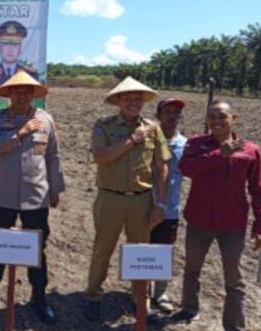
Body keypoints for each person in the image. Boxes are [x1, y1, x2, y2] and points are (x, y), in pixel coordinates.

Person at [0, 70, 65, 323]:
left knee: (37, 249)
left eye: (27, 91)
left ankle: (39, 297)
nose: (22, 95)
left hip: (36, 196)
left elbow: (53, 156)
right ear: (9, 94)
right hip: (2, 196)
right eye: (17, 91)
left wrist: (55, 188)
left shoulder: (46, 120)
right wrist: (20, 133)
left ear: (33, 94)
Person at [83, 76, 171, 322]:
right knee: (103, 249)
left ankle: (141, 300)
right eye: (128, 98)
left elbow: (162, 167)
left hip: (142, 200)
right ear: (118, 101)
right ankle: (93, 296)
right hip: (110, 198)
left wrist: (160, 204)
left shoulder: (153, 128)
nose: (134, 102)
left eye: (138, 98)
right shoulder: (104, 126)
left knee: (140, 251)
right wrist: (132, 140)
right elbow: (100, 156)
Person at [172, 100, 261, 330]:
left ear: (234, 118)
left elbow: (257, 189)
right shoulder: (196, 144)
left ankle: (234, 324)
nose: (216, 121)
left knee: (234, 277)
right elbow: (186, 169)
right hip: (199, 220)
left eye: (222, 116)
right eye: (212, 117)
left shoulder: (250, 150)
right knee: (192, 268)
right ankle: (189, 308)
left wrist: (259, 225)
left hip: (232, 223)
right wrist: (219, 155)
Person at [150, 97, 187, 314]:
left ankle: (160, 292)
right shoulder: (148, 139)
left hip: (170, 208)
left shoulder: (185, 144)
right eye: (168, 112)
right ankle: (142, 291)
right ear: (158, 116)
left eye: (176, 112)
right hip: (145, 204)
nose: (172, 116)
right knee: (143, 247)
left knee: (164, 250)